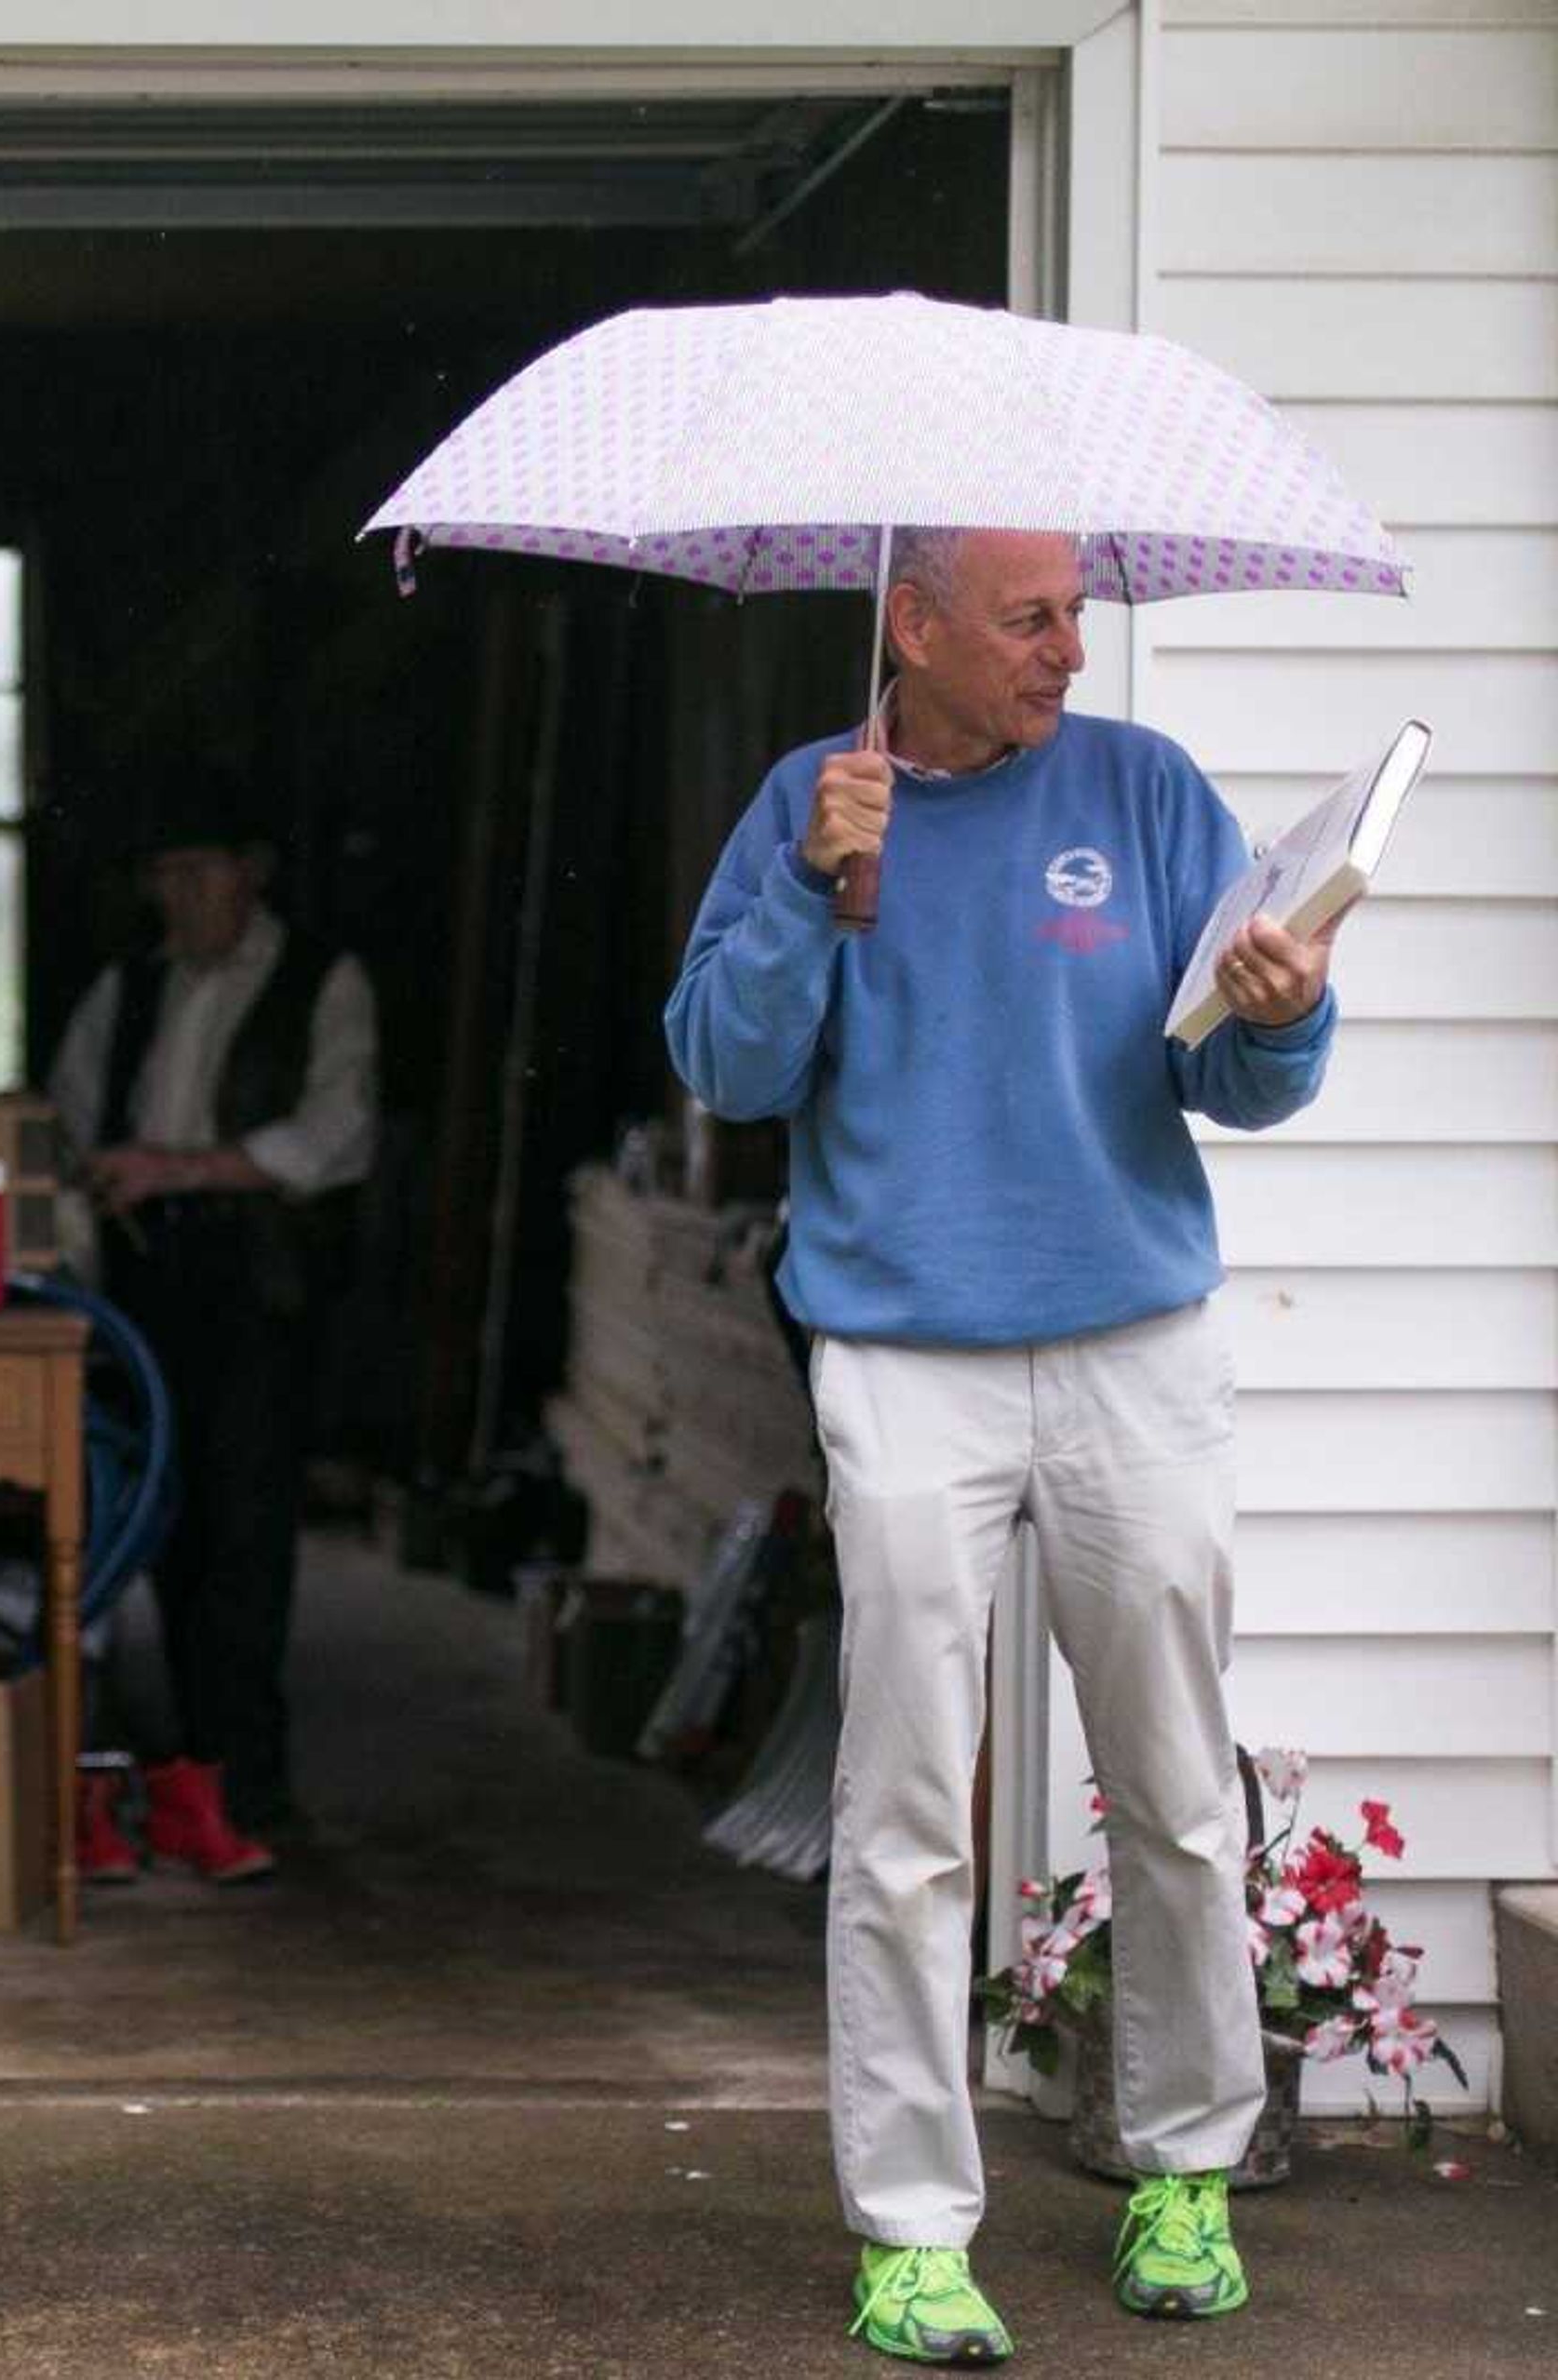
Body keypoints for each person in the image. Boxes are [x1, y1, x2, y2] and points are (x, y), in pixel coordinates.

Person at [665, 528, 1341, 2364]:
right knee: (900, 1809)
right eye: (1032, 618)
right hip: (902, 1359)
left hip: (1136, 1344)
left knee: (1180, 1786)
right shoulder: (816, 799)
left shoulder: (1142, 788)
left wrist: (1287, 1019)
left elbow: (1233, 1069)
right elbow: (723, 1069)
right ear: (918, 621)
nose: (1067, 649)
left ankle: (1189, 2171)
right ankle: (908, 2226)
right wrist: (818, 890)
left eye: (1074, 614)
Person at [49, 787, 377, 1885]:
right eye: (166, 876)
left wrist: (182, 1168)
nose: (183, 897)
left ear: (253, 871)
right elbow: (72, 1115)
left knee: (245, 1529)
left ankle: (243, 1778)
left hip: (254, 1276)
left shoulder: (320, 982)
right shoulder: (126, 989)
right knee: (156, 1524)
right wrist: (101, 1191)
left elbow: (334, 1138)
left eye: (204, 873)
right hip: (146, 1273)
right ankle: (173, 1774)